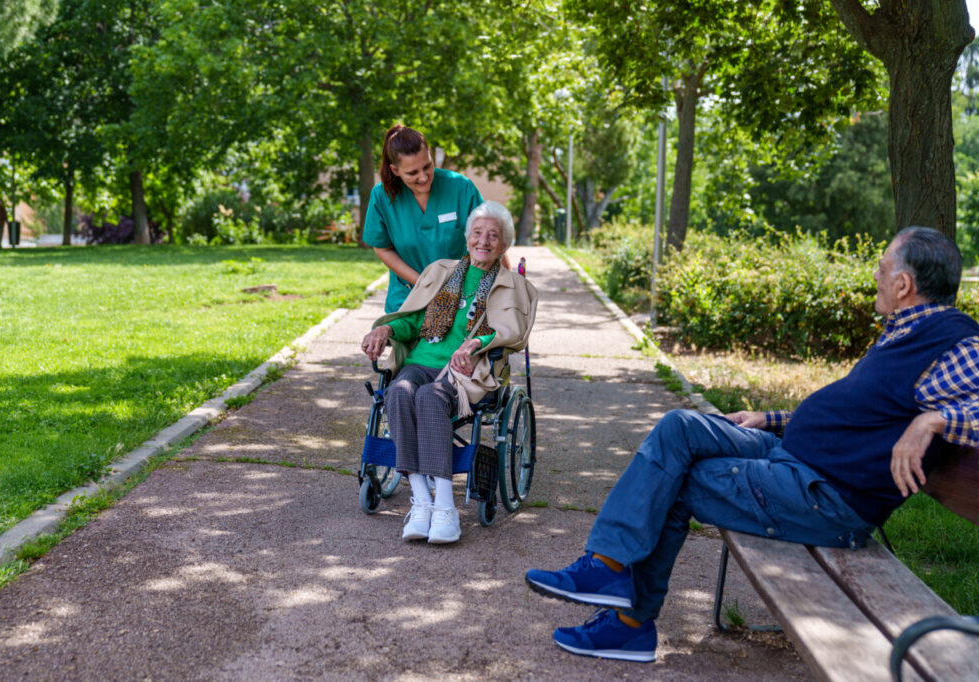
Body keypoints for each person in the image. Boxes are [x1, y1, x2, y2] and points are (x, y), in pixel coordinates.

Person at [525, 226, 979, 663]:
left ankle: (628, 623)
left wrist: (935, 420)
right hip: (795, 462)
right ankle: (606, 566)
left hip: (825, 498)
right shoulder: (905, 330)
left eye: (881, 268)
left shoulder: (953, 339)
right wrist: (773, 419)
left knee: (682, 482)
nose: (874, 277)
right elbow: (860, 417)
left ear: (903, 283)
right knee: (679, 426)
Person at [361, 201, 538, 543]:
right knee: (398, 392)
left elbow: (510, 330)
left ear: (504, 244)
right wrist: (386, 330)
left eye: (493, 235)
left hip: (468, 372)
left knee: (429, 398)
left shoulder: (512, 285)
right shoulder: (440, 271)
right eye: (477, 232)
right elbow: (412, 317)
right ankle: (422, 501)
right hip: (420, 362)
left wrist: (473, 345)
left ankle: (446, 508)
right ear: (467, 237)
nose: (483, 241)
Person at [363, 124, 498, 313]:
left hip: (459, 299)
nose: (423, 177)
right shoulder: (381, 196)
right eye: (412, 173)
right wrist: (425, 284)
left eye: (427, 166)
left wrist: (507, 289)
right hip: (407, 299)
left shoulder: (460, 188)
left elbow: (492, 239)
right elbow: (382, 249)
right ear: (395, 170)